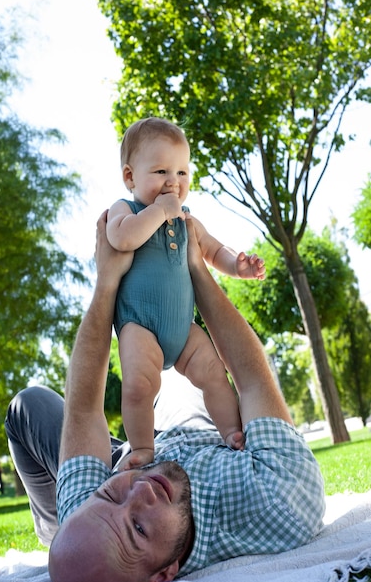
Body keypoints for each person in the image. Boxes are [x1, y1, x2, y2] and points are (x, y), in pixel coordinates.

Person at [5, 211, 325, 582]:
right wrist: (195, 267)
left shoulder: (86, 511)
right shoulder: (280, 499)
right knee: (186, 374)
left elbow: (85, 409)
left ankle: (64, 537)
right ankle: (68, 548)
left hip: (128, 458)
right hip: (201, 439)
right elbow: (251, 376)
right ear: (163, 576)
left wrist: (106, 284)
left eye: (111, 497)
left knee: (28, 404)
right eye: (138, 528)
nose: (140, 490)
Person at [107, 117, 266, 468]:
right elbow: (120, 237)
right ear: (131, 177)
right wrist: (158, 211)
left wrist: (237, 266)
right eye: (162, 171)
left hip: (183, 327)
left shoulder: (186, 218)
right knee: (137, 387)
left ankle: (231, 434)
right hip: (139, 325)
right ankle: (144, 450)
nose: (173, 183)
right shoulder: (127, 209)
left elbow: (212, 249)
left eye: (182, 172)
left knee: (214, 373)